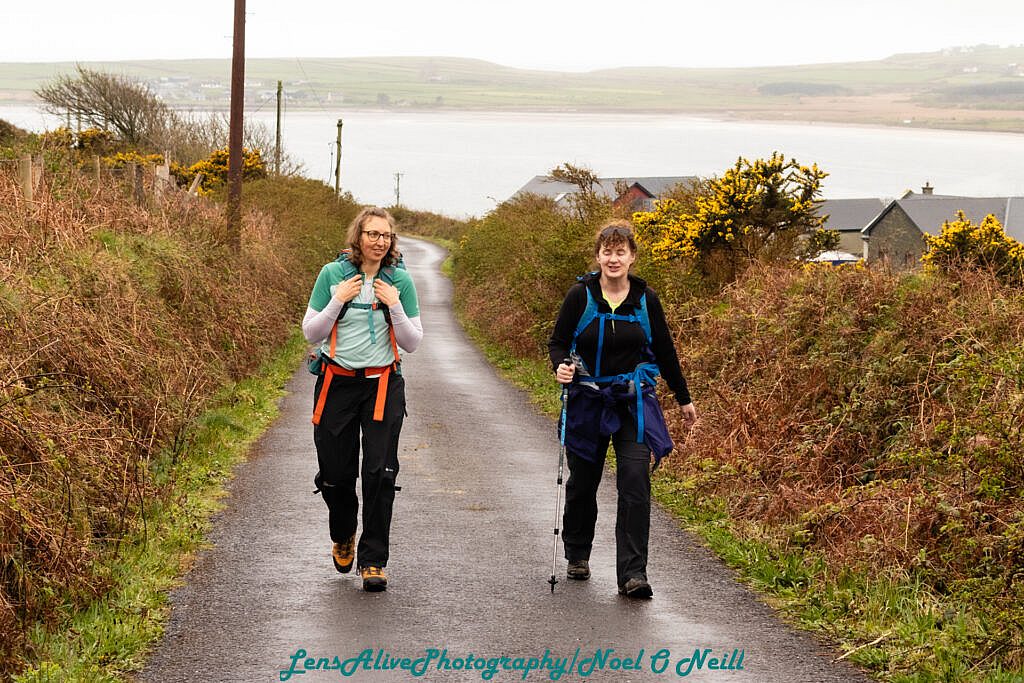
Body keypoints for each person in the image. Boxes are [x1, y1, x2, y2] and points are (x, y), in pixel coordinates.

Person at [548, 219, 697, 598]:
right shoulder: (579, 296)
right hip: (587, 401)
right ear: (597, 256)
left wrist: (683, 398)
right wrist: (562, 366)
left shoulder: (646, 300)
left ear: (632, 257)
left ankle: (633, 574)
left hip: (633, 403)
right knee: (584, 482)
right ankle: (578, 553)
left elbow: (665, 352)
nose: (613, 259)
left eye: (620, 252)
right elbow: (558, 343)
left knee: (635, 481)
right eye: (606, 252)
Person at [302, 207, 423, 592]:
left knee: (380, 472)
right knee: (337, 476)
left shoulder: (399, 280)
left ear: (391, 242)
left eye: (385, 235)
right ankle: (343, 533)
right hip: (336, 382)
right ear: (358, 237)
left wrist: (396, 305)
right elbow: (311, 332)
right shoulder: (331, 275)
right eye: (372, 234)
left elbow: (413, 342)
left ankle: (373, 561)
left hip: (383, 384)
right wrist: (338, 300)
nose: (379, 241)